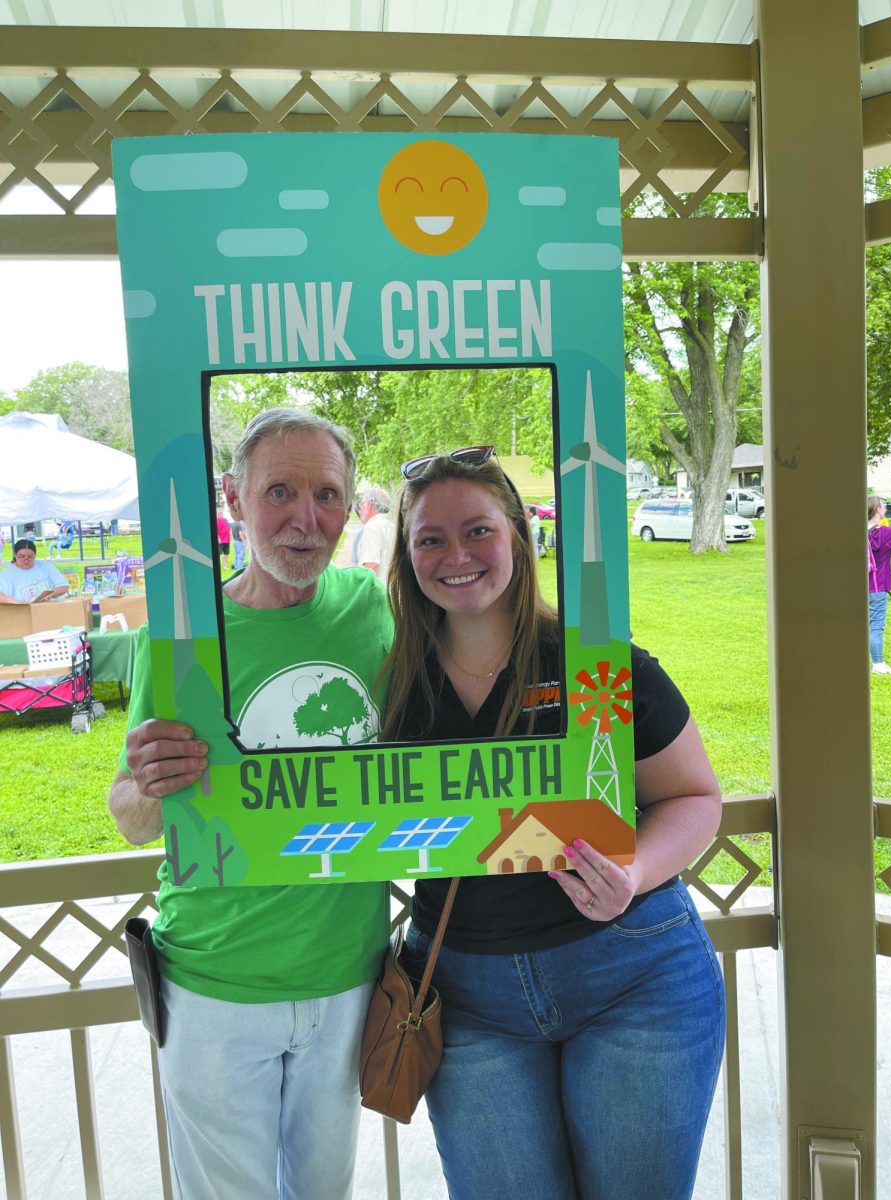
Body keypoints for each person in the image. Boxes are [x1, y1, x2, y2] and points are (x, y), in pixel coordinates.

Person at [381, 446, 725, 1200]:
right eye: (429, 540)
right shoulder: (387, 690)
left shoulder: (595, 665)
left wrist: (632, 871)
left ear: (517, 536)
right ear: (406, 559)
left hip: (634, 976)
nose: (456, 555)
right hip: (466, 997)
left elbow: (696, 798)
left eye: (477, 530)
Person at [107, 409, 392, 1200]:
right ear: (232, 499)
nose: (308, 521)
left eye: (328, 495)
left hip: (348, 974)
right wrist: (148, 786)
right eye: (280, 492)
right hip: (213, 983)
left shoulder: (370, 607)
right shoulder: (178, 634)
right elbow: (130, 813)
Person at [868, 494, 891, 675]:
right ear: (877, 510)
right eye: (884, 506)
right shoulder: (884, 533)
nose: (886, 508)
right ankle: (878, 664)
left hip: (858, 588)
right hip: (877, 587)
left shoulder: (857, 532)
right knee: (876, 626)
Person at [0, 539, 69, 603]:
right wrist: (18, 604)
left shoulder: (45, 566)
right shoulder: (6, 574)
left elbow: (63, 586)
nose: (26, 559)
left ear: (35, 555)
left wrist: (52, 594)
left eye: (30, 556)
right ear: (15, 555)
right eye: (21, 556)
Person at [355, 482, 395, 584]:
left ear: (369, 504)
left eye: (362, 504)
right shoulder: (391, 526)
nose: (360, 508)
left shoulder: (372, 527)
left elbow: (371, 565)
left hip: (377, 593)